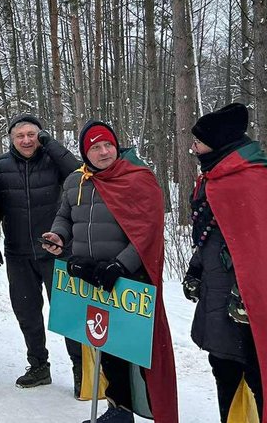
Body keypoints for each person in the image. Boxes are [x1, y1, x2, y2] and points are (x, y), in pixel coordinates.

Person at [41, 120, 178, 423]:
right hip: (89, 275)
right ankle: (118, 410)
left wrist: (121, 265)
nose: (103, 152)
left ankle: (146, 410)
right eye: (95, 147)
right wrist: (59, 237)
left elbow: (148, 231)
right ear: (85, 152)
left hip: (126, 279)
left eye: (108, 145)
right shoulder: (76, 180)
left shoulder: (137, 178)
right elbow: (65, 216)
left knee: (133, 350)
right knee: (104, 345)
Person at [184, 103, 267, 423]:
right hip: (217, 291)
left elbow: (263, 249)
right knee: (223, 367)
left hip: (251, 302)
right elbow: (214, 236)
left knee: (259, 373)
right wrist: (196, 266)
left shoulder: (252, 179)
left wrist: (244, 290)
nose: (192, 148)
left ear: (217, 142)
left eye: (197, 142)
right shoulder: (213, 177)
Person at [0, 114, 82, 392]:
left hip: (58, 252)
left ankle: (81, 369)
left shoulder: (54, 160)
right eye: (20, 136)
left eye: (32, 134)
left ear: (41, 136)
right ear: (11, 139)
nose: (26, 140)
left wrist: (51, 145)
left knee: (67, 313)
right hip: (18, 253)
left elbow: (78, 174)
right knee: (27, 313)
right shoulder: (1, 166)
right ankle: (38, 365)